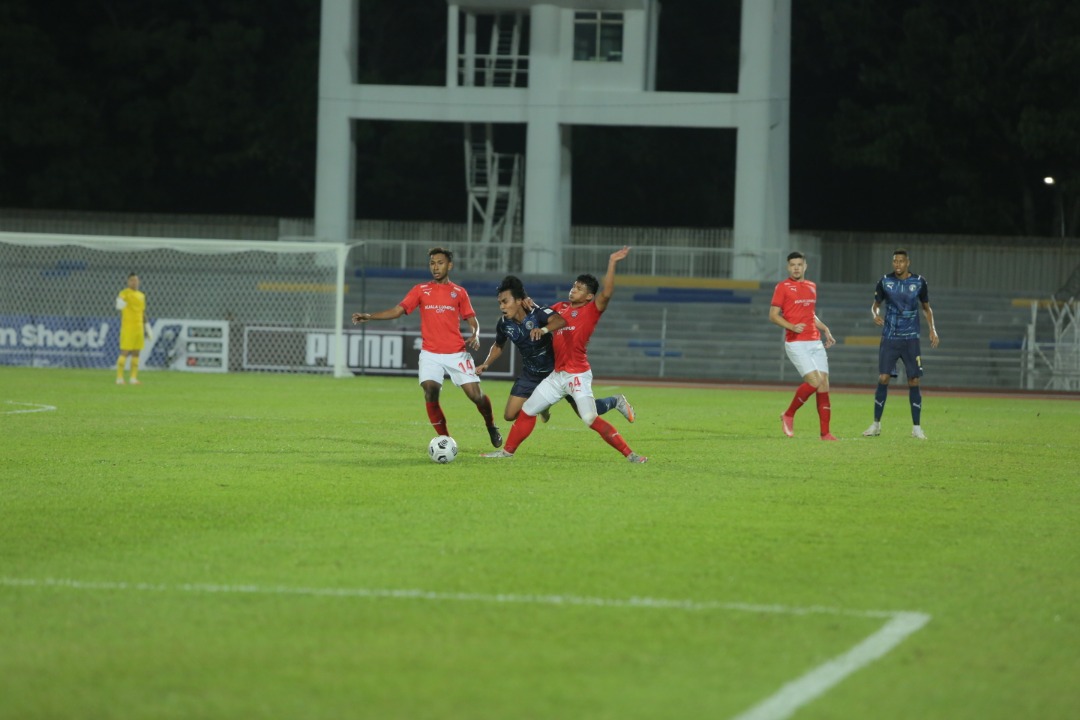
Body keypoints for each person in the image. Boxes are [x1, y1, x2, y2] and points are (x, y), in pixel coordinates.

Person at [482, 247, 647, 463]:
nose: (573, 290)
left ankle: (631, 454)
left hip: (577, 374)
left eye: (579, 289)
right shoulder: (561, 307)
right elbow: (544, 315)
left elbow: (606, 293)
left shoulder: (592, 309)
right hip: (556, 374)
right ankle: (506, 452)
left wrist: (612, 262)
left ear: (589, 296)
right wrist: (529, 304)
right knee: (528, 410)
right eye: (573, 286)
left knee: (588, 417)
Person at [351, 246, 502, 447]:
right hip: (430, 353)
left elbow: (472, 319)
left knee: (476, 396)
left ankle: (491, 425)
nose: (435, 267)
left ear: (450, 265)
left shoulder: (459, 292)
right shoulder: (420, 290)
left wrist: (475, 334)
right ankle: (445, 440)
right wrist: (370, 316)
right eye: (432, 263)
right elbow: (397, 311)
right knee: (430, 389)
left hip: (456, 354)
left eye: (440, 263)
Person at [476, 275, 636, 424]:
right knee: (509, 416)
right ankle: (543, 406)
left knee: (586, 414)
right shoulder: (507, 323)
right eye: (500, 303)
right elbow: (499, 344)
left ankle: (615, 401)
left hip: (557, 371)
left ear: (518, 300)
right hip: (530, 373)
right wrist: (486, 364)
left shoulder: (552, 313)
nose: (502, 307)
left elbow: (556, 320)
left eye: (505, 302)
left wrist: (543, 328)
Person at [862, 248, 940, 440]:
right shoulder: (884, 282)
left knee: (914, 380)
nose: (897, 264)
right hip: (890, 337)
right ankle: (876, 425)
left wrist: (933, 329)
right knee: (883, 378)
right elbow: (875, 306)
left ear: (908, 263)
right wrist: (875, 315)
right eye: (895, 261)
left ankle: (916, 428)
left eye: (901, 261)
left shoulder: (919, 282)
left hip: (911, 338)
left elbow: (926, 308)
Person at [769, 251, 837, 441]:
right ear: (787, 267)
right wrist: (791, 326)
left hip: (815, 342)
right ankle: (789, 414)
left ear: (805, 266)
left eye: (799, 264)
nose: (796, 267)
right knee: (814, 382)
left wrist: (825, 329)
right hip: (796, 343)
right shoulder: (782, 287)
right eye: (793, 265)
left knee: (824, 385)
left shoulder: (812, 286)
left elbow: (810, 315)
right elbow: (773, 315)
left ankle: (825, 433)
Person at [115, 273, 150, 385]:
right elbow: (120, 302)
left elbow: (142, 311)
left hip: (139, 327)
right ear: (128, 282)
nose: (134, 282)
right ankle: (119, 378)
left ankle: (133, 378)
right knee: (125, 351)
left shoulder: (141, 295)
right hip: (128, 327)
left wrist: (147, 325)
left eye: (136, 280)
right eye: (132, 280)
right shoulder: (125, 293)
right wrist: (119, 302)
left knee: (136, 352)